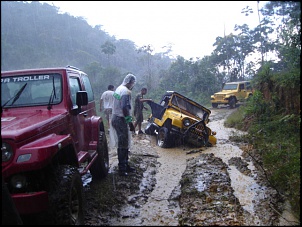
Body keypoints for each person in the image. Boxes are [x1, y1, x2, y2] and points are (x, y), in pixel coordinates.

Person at [110, 74, 136, 176]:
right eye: (133, 83)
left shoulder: (118, 89)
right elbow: (125, 107)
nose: (133, 85)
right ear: (130, 82)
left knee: (123, 142)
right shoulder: (125, 91)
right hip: (120, 119)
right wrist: (130, 123)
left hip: (115, 117)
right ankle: (122, 168)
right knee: (123, 144)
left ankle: (125, 164)